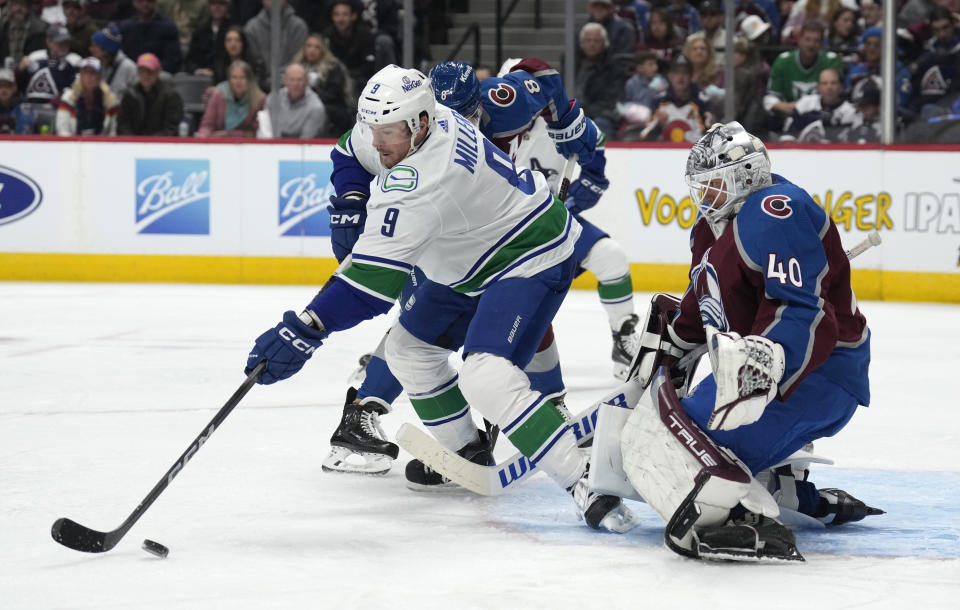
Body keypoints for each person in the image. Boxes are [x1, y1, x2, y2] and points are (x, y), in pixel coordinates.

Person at [245, 64, 635, 534]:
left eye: (387, 132)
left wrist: (305, 328)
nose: (378, 141)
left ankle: (585, 480)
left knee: (486, 375)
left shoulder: (424, 179)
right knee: (408, 351)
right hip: (469, 263)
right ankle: (466, 452)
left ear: (421, 123)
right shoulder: (423, 120)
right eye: (375, 127)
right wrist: (350, 200)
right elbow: (350, 148)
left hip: (531, 255)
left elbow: (369, 289)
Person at [321, 60, 624, 478]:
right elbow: (350, 149)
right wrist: (351, 201)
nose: (453, 124)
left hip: (501, 235)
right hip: (442, 232)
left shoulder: (506, 100)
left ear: (479, 105)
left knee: (516, 322)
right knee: (416, 322)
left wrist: (571, 124)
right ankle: (364, 408)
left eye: (464, 114)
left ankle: (548, 404)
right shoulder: (418, 138)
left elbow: (548, 79)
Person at [620, 121, 881, 562]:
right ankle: (790, 492)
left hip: (822, 375)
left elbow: (803, 312)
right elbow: (706, 295)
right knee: (674, 429)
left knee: (682, 445)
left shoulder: (776, 210)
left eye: (715, 185)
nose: (705, 197)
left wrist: (770, 357)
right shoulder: (713, 226)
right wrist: (677, 339)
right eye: (700, 187)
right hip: (771, 374)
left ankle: (742, 517)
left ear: (745, 175)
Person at [764, 20, 845, 120]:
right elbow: (770, 99)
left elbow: (837, 96)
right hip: (788, 119)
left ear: (822, 43)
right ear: (799, 40)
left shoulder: (831, 61)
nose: (811, 44)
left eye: (816, 41)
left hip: (824, 118)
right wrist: (794, 109)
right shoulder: (783, 62)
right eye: (807, 39)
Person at [291, 32, 353, 137]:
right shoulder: (296, 67)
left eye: (317, 47)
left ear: (323, 50)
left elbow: (333, 94)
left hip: (331, 108)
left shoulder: (333, 67)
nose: (312, 50)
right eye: (309, 46)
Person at [643, 54, 713, 142]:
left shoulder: (702, 101)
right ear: (669, 76)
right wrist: (658, 125)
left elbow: (712, 137)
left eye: (685, 72)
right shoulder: (659, 101)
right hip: (666, 152)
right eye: (676, 72)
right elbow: (645, 137)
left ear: (691, 76)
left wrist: (709, 124)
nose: (680, 77)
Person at [574, 22, 626, 135]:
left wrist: (583, 111)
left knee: (599, 125)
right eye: (588, 40)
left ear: (604, 43)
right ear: (582, 43)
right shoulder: (571, 64)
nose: (592, 44)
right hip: (573, 113)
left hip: (600, 116)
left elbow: (610, 101)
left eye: (596, 41)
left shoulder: (614, 68)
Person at [781, 66, 857, 141]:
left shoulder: (850, 111)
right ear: (818, 87)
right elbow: (788, 131)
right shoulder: (806, 103)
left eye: (833, 83)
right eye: (824, 83)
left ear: (841, 86)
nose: (829, 87)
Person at [116, 52, 184, 135]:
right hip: (133, 144)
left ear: (158, 72)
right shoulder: (129, 95)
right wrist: (133, 142)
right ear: (137, 72)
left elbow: (171, 128)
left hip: (161, 145)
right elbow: (123, 124)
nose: (146, 75)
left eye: (150, 71)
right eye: (142, 71)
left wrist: (150, 143)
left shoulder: (171, 96)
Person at [243, 0, 308, 86]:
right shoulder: (251, 28)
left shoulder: (299, 27)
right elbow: (253, 63)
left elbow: (299, 60)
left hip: (292, 84)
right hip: (259, 85)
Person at [196, 58, 264, 136]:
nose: (238, 81)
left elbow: (258, 132)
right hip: (218, 144)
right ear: (229, 79)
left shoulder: (259, 99)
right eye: (234, 77)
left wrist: (228, 134)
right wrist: (203, 142)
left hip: (247, 145)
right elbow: (207, 126)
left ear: (249, 80)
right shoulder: (218, 95)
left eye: (242, 77)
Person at [17, 25, 80, 107]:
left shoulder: (75, 61)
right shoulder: (34, 57)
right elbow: (18, 83)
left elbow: (76, 88)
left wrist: (54, 103)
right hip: (29, 105)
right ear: (49, 42)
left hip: (59, 107)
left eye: (66, 42)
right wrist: (19, 70)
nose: (64, 46)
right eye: (60, 42)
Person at [323, 0, 377, 95]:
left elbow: (369, 68)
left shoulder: (365, 35)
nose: (340, 19)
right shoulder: (327, 36)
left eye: (344, 14)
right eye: (337, 15)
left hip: (360, 81)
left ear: (353, 16)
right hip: (335, 80)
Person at [55, 56, 120, 135]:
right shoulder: (68, 99)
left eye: (93, 73)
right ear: (81, 75)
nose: (89, 77)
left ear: (100, 76)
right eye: (85, 72)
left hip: (102, 144)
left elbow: (114, 131)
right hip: (73, 144)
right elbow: (62, 130)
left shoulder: (111, 100)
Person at [260, 62, 325, 138]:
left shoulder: (316, 107)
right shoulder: (273, 99)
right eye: (291, 79)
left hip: (303, 148)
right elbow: (266, 130)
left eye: (299, 80)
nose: (295, 84)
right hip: (273, 146)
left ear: (307, 81)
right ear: (285, 81)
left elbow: (306, 141)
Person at [119, 0, 183, 73]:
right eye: (141, 1)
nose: (145, 4)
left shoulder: (168, 27)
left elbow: (173, 61)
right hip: (131, 73)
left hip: (158, 74)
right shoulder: (126, 27)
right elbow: (122, 57)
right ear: (134, 2)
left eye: (150, 1)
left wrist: (150, 71)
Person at [184, 0, 234, 79]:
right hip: (199, 76)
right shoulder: (200, 30)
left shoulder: (233, 30)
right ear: (209, 6)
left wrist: (215, 72)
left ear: (228, 7)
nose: (217, 7)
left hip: (225, 76)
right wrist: (197, 70)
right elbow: (190, 59)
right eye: (213, 3)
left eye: (221, 4)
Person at [89, 23, 138, 100]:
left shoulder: (129, 68)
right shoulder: (96, 65)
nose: (91, 49)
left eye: (94, 46)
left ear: (104, 50)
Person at [0, 0, 47, 68]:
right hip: (5, 72)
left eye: (22, 4)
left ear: (28, 7)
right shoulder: (3, 27)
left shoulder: (41, 28)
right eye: (15, 4)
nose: (18, 9)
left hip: (30, 70)